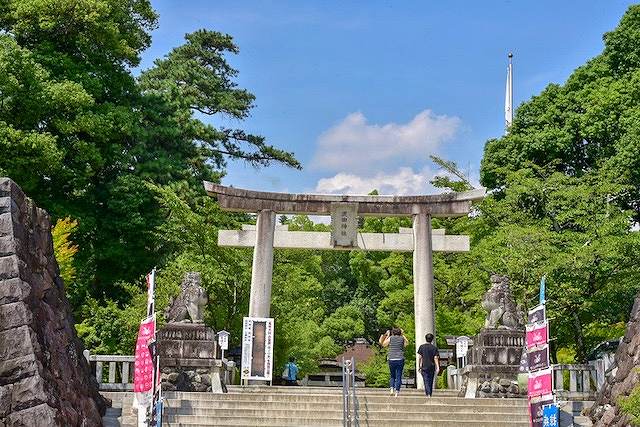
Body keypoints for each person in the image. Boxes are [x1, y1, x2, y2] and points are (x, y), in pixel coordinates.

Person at [379, 328, 409, 397]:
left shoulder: (391, 338)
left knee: (392, 375)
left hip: (391, 358)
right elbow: (406, 344)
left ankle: (391, 389)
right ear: (400, 333)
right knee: (399, 376)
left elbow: (383, 344)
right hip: (400, 358)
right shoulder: (402, 338)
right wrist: (403, 334)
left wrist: (387, 336)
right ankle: (397, 392)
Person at [417, 333, 440, 397]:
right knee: (431, 381)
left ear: (425, 339)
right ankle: (430, 393)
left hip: (424, 366)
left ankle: (428, 394)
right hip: (431, 366)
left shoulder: (422, 347)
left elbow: (420, 357)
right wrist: (437, 367)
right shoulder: (434, 348)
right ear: (432, 340)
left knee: (426, 380)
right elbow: (435, 358)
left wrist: (419, 366)